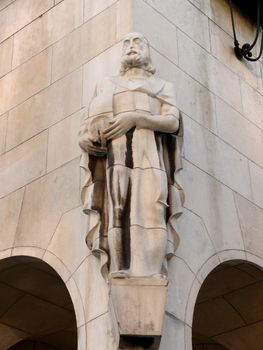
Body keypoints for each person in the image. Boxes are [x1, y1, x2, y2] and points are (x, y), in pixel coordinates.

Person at [79, 32, 184, 279]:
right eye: (126, 43)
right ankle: (119, 268)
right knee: (117, 208)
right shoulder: (106, 85)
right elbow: (88, 126)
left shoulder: (162, 87)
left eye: (138, 43)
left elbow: (172, 121)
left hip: (150, 155)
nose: (131, 47)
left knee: (155, 207)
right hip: (116, 155)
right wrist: (85, 139)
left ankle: (154, 271)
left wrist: (136, 118)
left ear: (147, 50)